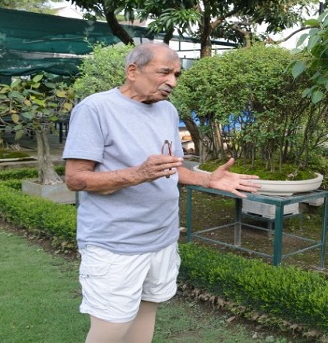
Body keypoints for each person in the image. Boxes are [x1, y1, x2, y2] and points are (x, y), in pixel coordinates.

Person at [63, 42, 260, 343]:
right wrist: (137, 174)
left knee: (147, 310)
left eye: (177, 74)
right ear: (132, 71)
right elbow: (75, 179)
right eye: (165, 72)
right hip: (116, 244)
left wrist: (207, 180)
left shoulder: (167, 111)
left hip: (161, 239)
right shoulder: (95, 108)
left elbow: (171, 168)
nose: (172, 82)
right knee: (110, 329)